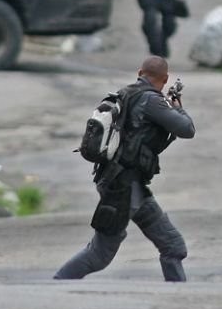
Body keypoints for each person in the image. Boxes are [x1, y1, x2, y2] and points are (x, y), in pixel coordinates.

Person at [54, 56, 196, 283]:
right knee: (99, 254)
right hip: (123, 188)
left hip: (129, 184)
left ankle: (178, 296)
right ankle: (56, 285)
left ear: (140, 72)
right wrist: (178, 108)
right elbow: (187, 129)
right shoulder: (152, 102)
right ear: (166, 79)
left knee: (173, 246)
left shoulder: (125, 94)